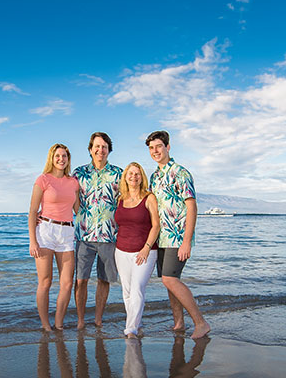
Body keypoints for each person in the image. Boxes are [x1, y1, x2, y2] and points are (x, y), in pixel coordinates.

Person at [146, 130, 210, 339]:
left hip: (177, 237)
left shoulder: (181, 173)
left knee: (169, 279)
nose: (155, 151)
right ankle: (178, 324)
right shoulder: (154, 177)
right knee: (171, 281)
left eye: (159, 146)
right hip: (161, 238)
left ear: (168, 147)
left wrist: (186, 242)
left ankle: (200, 323)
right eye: (151, 148)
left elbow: (191, 207)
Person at [72, 132, 123, 329]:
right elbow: (71, 200)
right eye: (97, 146)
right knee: (81, 280)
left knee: (104, 280)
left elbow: (126, 200)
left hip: (109, 236)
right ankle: (80, 320)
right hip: (84, 236)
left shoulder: (119, 174)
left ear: (109, 150)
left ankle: (98, 319)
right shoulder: (78, 173)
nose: (100, 150)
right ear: (90, 149)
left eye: (104, 146)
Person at [28, 143, 80, 331]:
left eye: (64, 156)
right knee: (45, 281)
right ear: (52, 158)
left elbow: (78, 209)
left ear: (68, 159)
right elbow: (33, 211)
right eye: (57, 156)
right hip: (46, 232)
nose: (61, 159)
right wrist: (32, 240)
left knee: (66, 283)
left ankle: (58, 323)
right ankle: (46, 325)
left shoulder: (73, 182)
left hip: (67, 232)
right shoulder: (43, 179)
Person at [113, 162, 160, 337]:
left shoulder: (149, 198)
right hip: (121, 251)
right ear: (125, 177)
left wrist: (146, 248)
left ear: (142, 177)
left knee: (137, 288)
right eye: (130, 174)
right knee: (126, 290)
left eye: (137, 174)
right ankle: (135, 323)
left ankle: (131, 329)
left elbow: (156, 226)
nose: (134, 177)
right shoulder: (120, 199)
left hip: (144, 252)